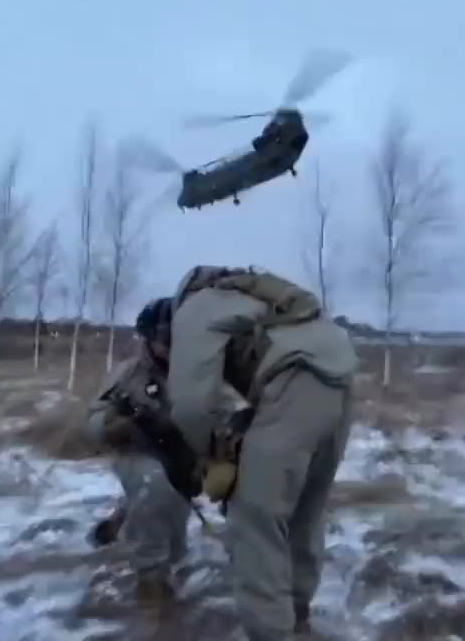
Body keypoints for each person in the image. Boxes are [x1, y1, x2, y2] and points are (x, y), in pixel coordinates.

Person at [131, 265, 358, 641]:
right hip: (342, 379)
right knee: (305, 508)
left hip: (294, 382)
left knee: (254, 516)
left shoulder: (193, 309)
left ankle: (272, 632)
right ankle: (297, 616)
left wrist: (214, 457)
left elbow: (190, 405)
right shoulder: (246, 295)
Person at [86, 299, 191, 606]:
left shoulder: (200, 371)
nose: (171, 347)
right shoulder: (130, 374)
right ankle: (150, 583)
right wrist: (111, 425)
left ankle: (126, 522)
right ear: (149, 339)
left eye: (178, 339)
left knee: (176, 534)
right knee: (154, 486)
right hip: (136, 453)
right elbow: (94, 418)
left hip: (180, 456)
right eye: (165, 340)